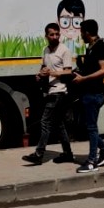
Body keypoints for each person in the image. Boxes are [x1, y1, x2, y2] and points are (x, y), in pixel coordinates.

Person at [22, 23, 76, 165]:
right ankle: (68, 153)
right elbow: (44, 67)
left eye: (57, 34)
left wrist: (53, 73)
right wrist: (40, 75)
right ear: (46, 36)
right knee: (58, 124)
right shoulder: (45, 50)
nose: (55, 37)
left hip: (59, 91)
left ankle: (39, 154)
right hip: (50, 90)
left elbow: (68, 72)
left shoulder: (64, 50)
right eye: (51, 34)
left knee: (45, 121)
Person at [72, 19, 104, 173]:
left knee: (91, 128)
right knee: (87, 127)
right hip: (87, 93)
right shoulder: (91, 48)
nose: (81, 35)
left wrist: (84, 78)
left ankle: (92, 161)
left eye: (82, 32)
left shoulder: (101, 47)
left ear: (87, 32)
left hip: (94, 93)